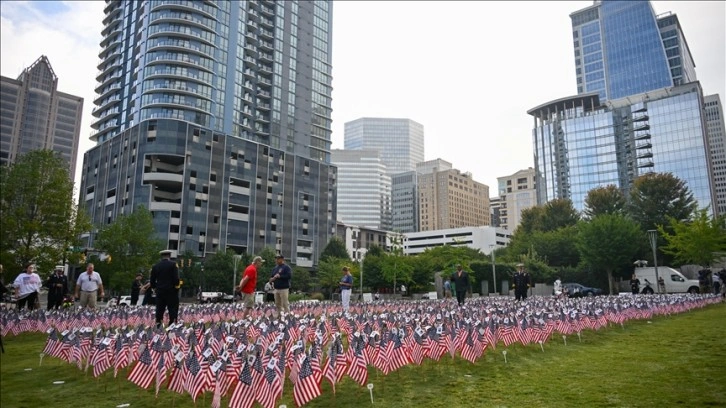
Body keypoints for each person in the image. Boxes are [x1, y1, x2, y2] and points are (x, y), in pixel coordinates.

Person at [150, 249, 180, 328]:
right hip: (171, 291)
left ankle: (158, 325)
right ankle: (172, 325)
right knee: (172, 308)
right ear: (169, 256)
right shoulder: (173, 264)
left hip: (160, 291)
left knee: (159, 309)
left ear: (161, 256)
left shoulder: (156, 266)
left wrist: (155, 288)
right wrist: (176, 287)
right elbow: (176, 279)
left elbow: (152, 280)